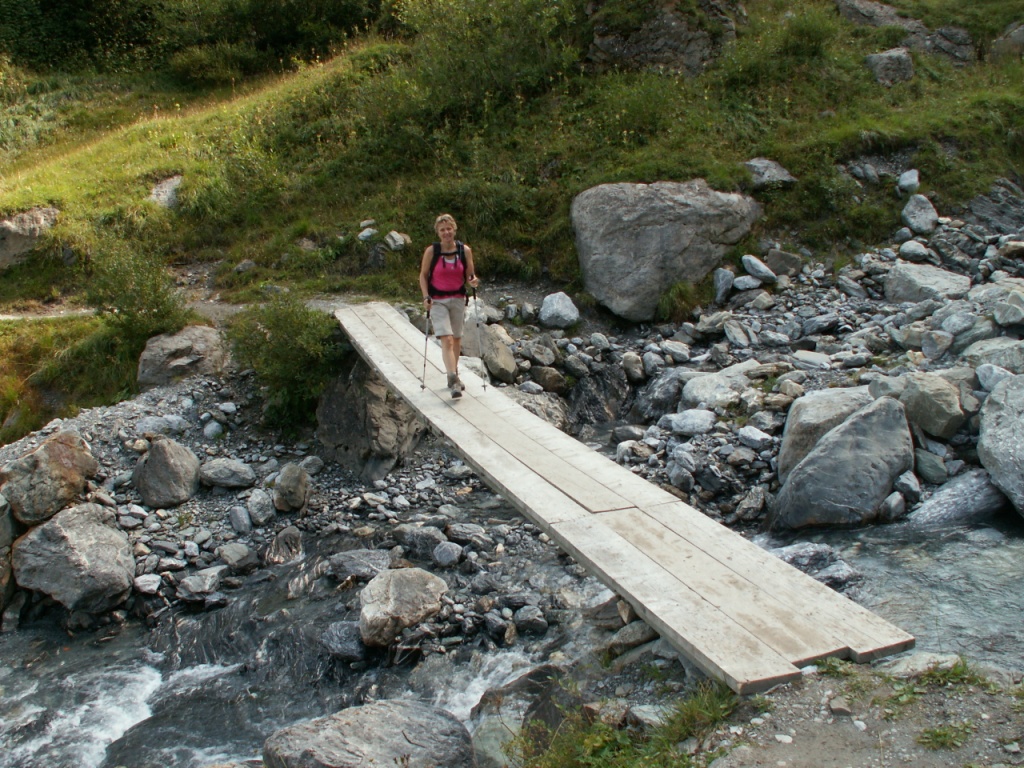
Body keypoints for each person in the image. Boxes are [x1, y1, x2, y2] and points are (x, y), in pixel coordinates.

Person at [420, 213, 479, 398]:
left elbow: (470, 275)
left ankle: (453, 376)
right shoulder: (432, 251)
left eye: (449, 229)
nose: (446, 233)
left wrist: (474, 282)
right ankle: (453, 379)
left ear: (454, 229)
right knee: (447, 339)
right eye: (442, 230)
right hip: (437, 300)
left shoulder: (464, 251)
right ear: (438, 232)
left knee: (457, 340)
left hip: (458, 298)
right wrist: (425, 296)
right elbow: (423, 275)